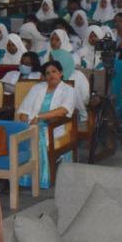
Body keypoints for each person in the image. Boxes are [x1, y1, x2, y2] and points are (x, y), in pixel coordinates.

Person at [17, 58, 80, 189]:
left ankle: (37, 178)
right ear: (44, 76)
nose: (51, 75)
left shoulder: (68, 90)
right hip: (32, 124)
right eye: (47, 73)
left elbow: (63, 111)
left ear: (61, 73)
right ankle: (17, 174)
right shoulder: (37, 88)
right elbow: (23, 110)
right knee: (15, 137)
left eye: (54, 71)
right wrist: (24, 117)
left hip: (55, 126)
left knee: (36, 137)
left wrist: (39, 116)